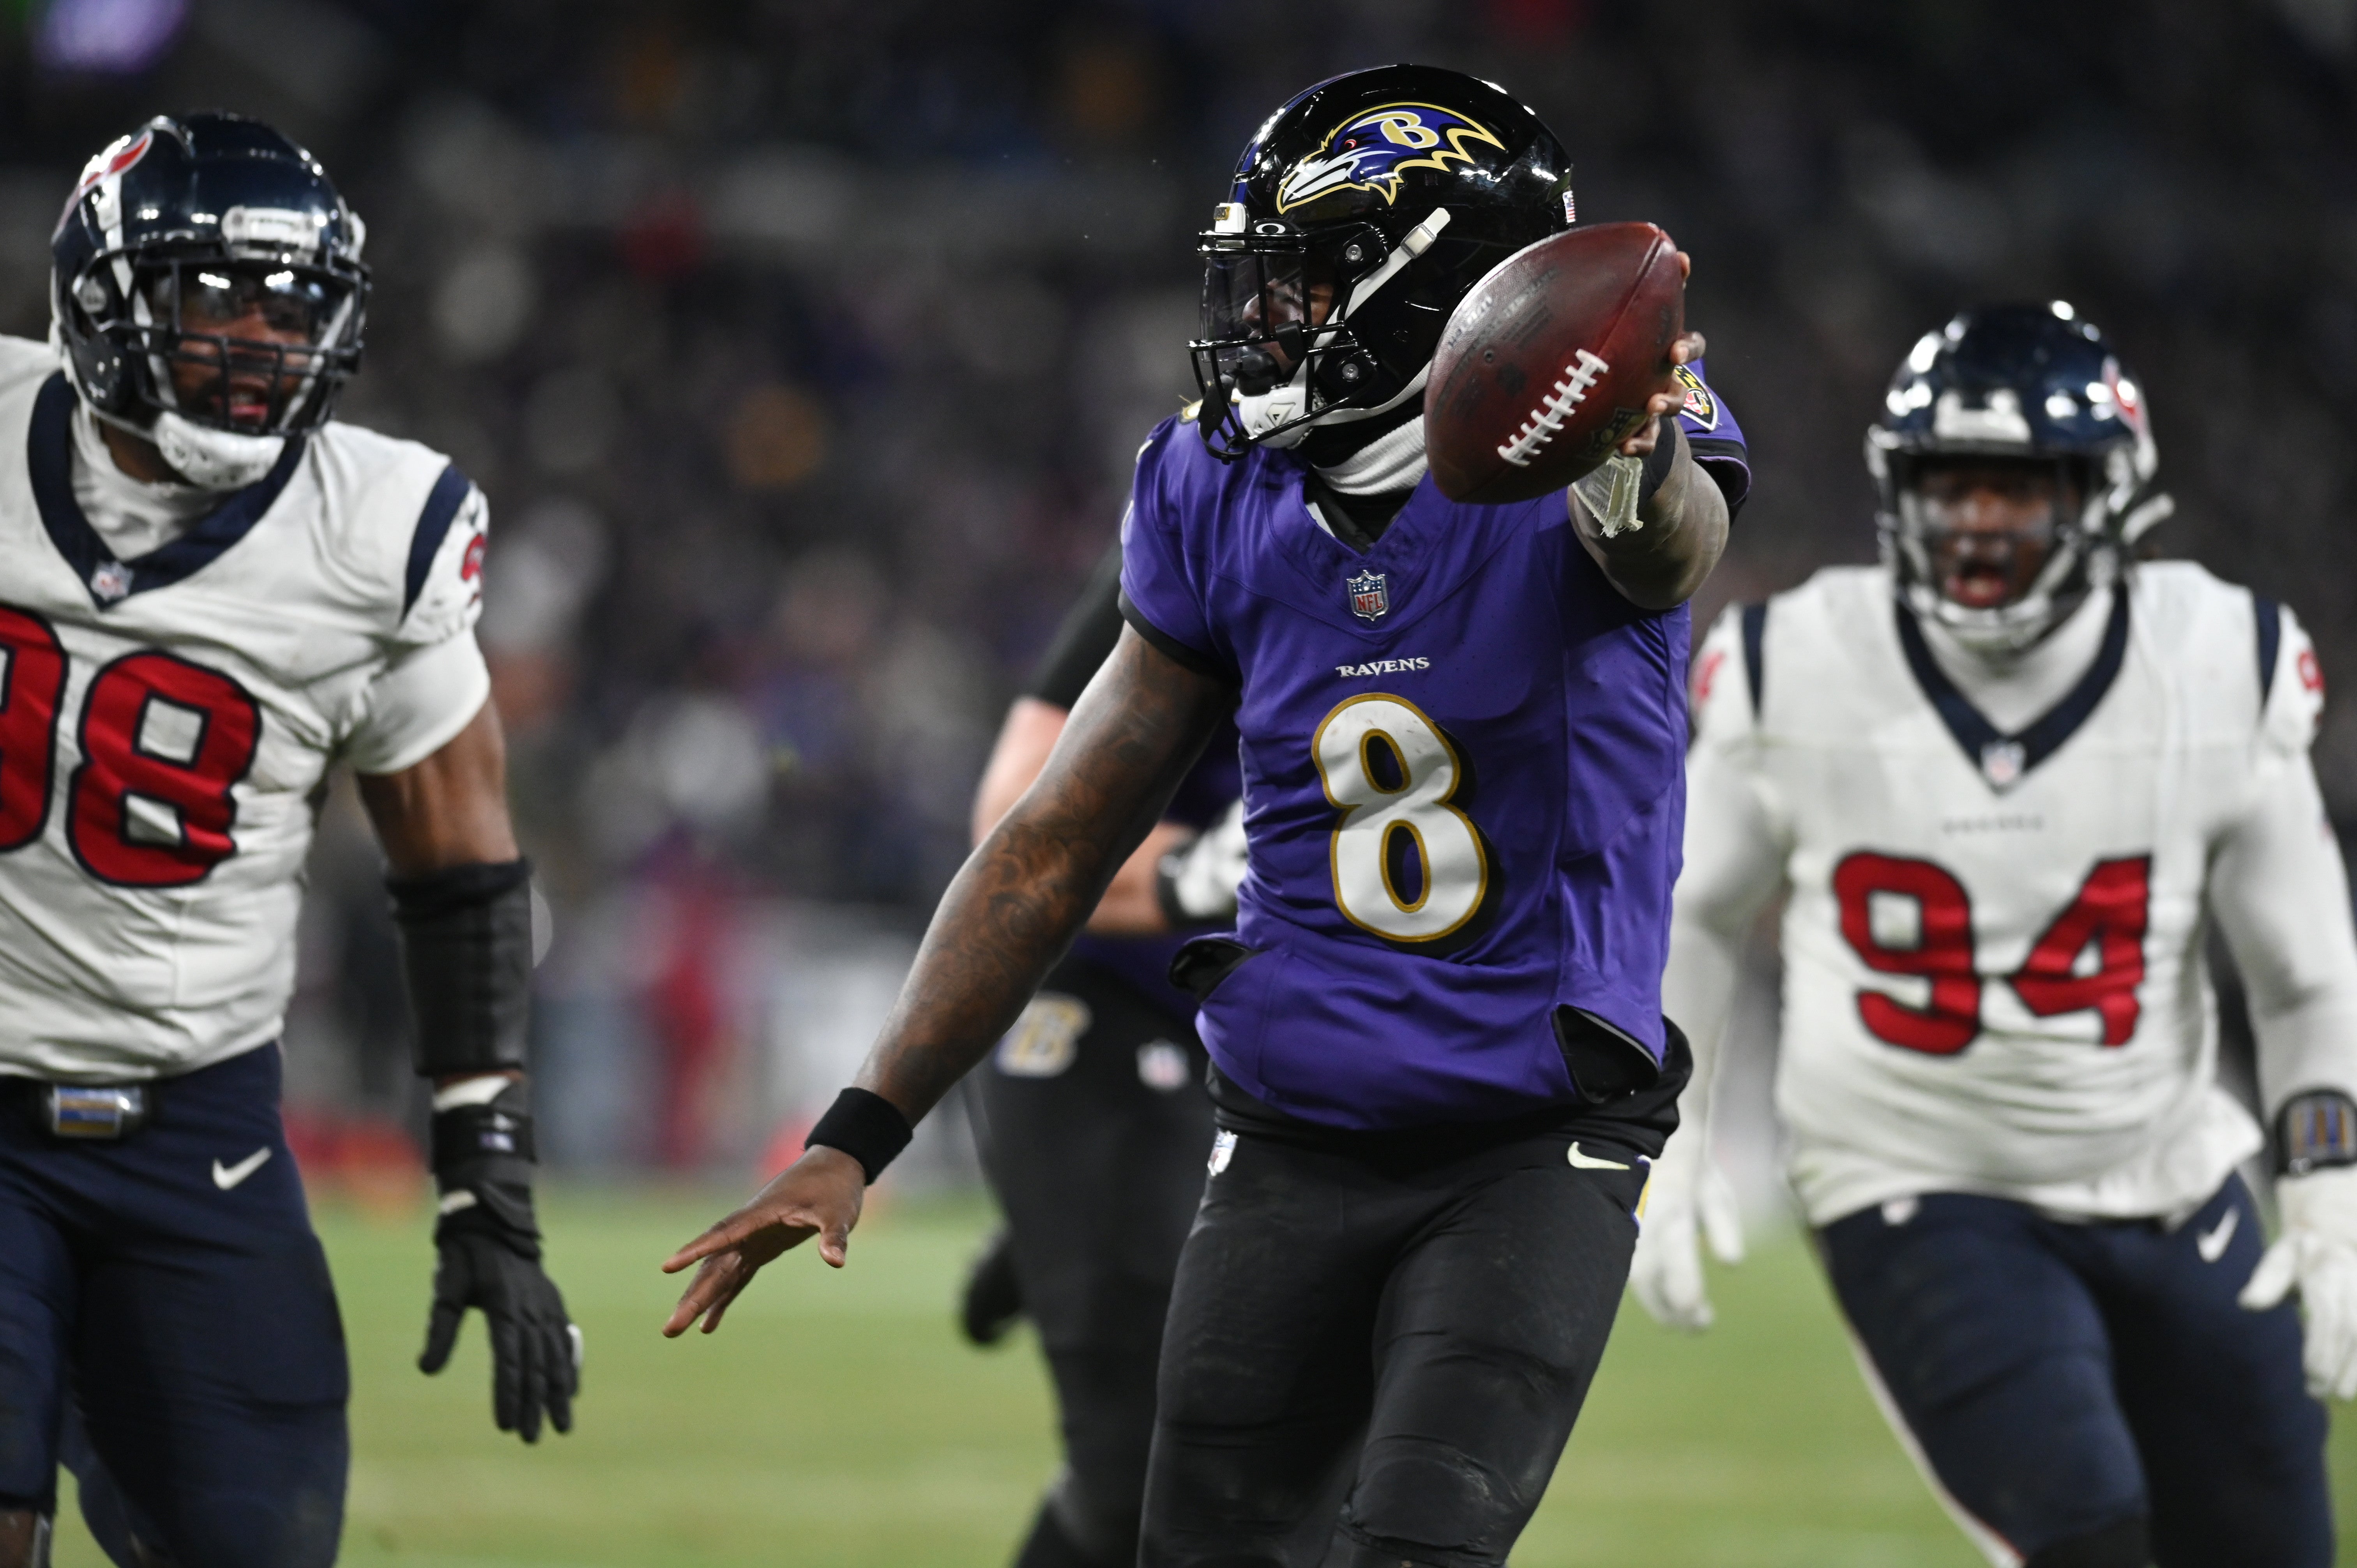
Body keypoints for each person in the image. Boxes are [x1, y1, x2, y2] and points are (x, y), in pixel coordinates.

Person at [665, 65, 1748, 1567]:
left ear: (1437, 292)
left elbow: (1668, 548)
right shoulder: (1210, 483)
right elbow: (1054, 839)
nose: (1264, 322)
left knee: (1415, 1546)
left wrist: (1637, 471)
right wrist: (859, 1129)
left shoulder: (1609, 448)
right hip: (1292, 1128)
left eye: (1302, 284)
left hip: (1534, 1132)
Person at [1632, 302, 2355, 1568]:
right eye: (1950, 485)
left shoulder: (2213, 659)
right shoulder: (1800, 659)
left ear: (2106, 494)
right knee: (2088, 1531)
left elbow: (2300, 977)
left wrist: (2329, 1182)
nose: (1976, 522)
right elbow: (1695, 907)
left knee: (2274, 1543)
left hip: (2169, 1167)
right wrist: (1670, 1141)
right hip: (1916, 1177)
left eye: (2017, 490)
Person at [0, 114, 577, 1568]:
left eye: (295, 305)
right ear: (101, 295)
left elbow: (460, 875)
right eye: (218, 298)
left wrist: (484, 1181)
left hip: (198, 1131)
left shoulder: (371, 531)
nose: (262, 340)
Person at [958, 537, 1246, 1568]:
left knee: (1301, 1470)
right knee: (1142, 1471)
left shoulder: (1465, 565)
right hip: (1104, 1007)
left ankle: (1065, 1242)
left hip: (1269, 1039)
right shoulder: (1207, 541)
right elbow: (1014, 821)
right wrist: (1211, 870)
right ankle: (1080, 1225)